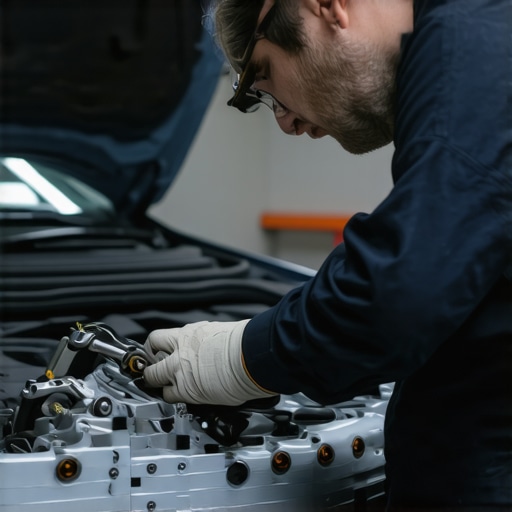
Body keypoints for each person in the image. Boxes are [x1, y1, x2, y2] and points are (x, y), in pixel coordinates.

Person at [143, 0, 512, 509]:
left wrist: (243, 356)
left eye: (263, 76)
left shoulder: (472, 45)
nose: (286, 125)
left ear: (326, 6)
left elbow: (401, 293)